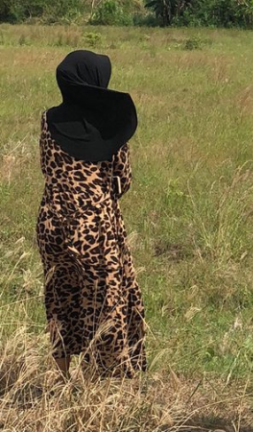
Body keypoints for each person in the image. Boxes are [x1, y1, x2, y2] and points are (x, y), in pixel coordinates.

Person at [36, 50, 145, 379]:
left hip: (52, 219)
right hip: (95, 224)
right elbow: (122, 179)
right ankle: (100, 383)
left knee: (60, 299)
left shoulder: (47, 119)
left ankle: (62, 379)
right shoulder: (112, 127)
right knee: (105, 301)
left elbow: (46, 167)